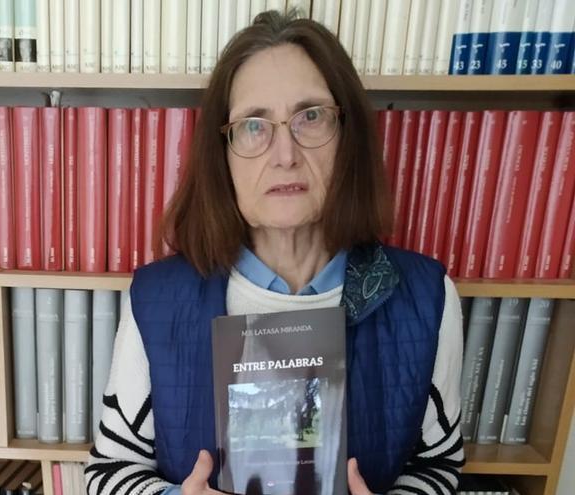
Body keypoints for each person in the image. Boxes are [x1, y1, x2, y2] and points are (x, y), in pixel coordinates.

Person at [86, 10, 464, 495]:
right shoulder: (156, 300)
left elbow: (437, 466)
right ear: (223, 153)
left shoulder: (427, 297)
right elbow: (109, 471)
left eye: (311, 117)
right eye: (254, 125)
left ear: (348, 137)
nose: (285, 155)